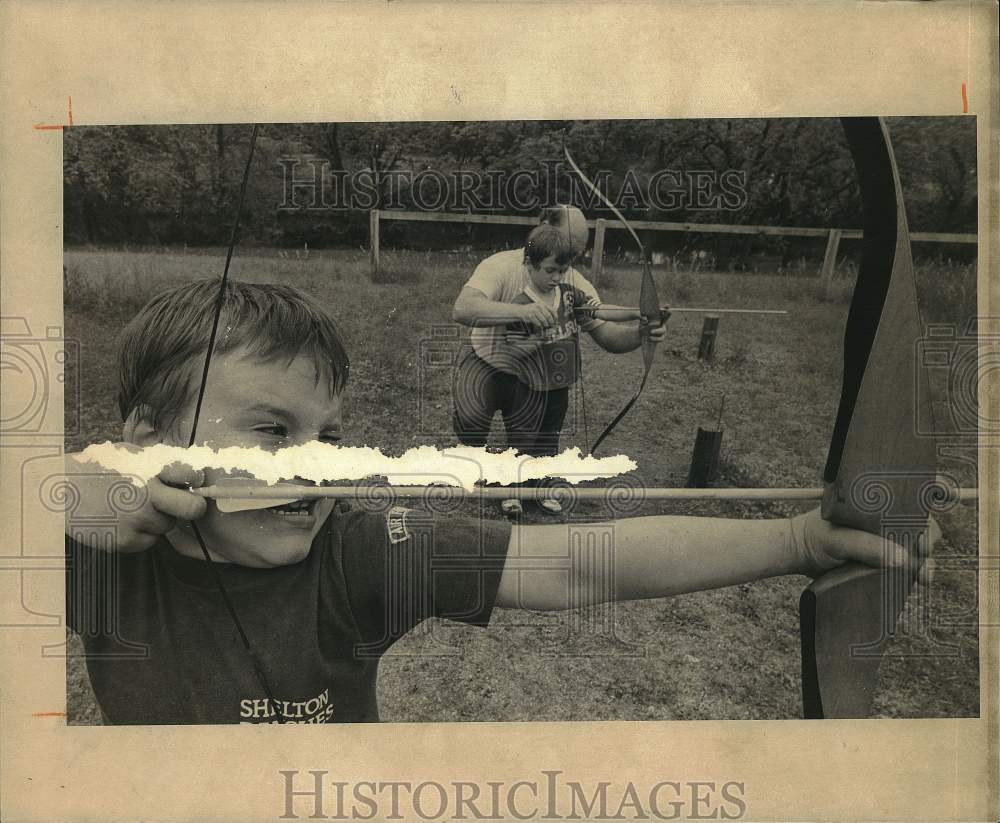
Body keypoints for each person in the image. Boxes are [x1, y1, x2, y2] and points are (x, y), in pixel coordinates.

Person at [64, 279, 932, 725]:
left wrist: (798, 540)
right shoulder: (91, 551)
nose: (315, 462)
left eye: (329, 433)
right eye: (271, 429)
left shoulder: (363, 553)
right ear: (144, 435)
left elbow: (578, 565)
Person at [452, 206, 666, 516]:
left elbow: (605, 330)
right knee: (474, 428)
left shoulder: (569, 284)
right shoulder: (501, 266)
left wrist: (642, 328)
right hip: (488, 365)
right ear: (541, 229)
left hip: (543, 381)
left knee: (541, 437)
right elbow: (463, 309)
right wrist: (524, 314)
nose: (563, 266)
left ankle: (533, 485)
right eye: (561, 248)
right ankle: (496, 473)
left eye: (573, 254)